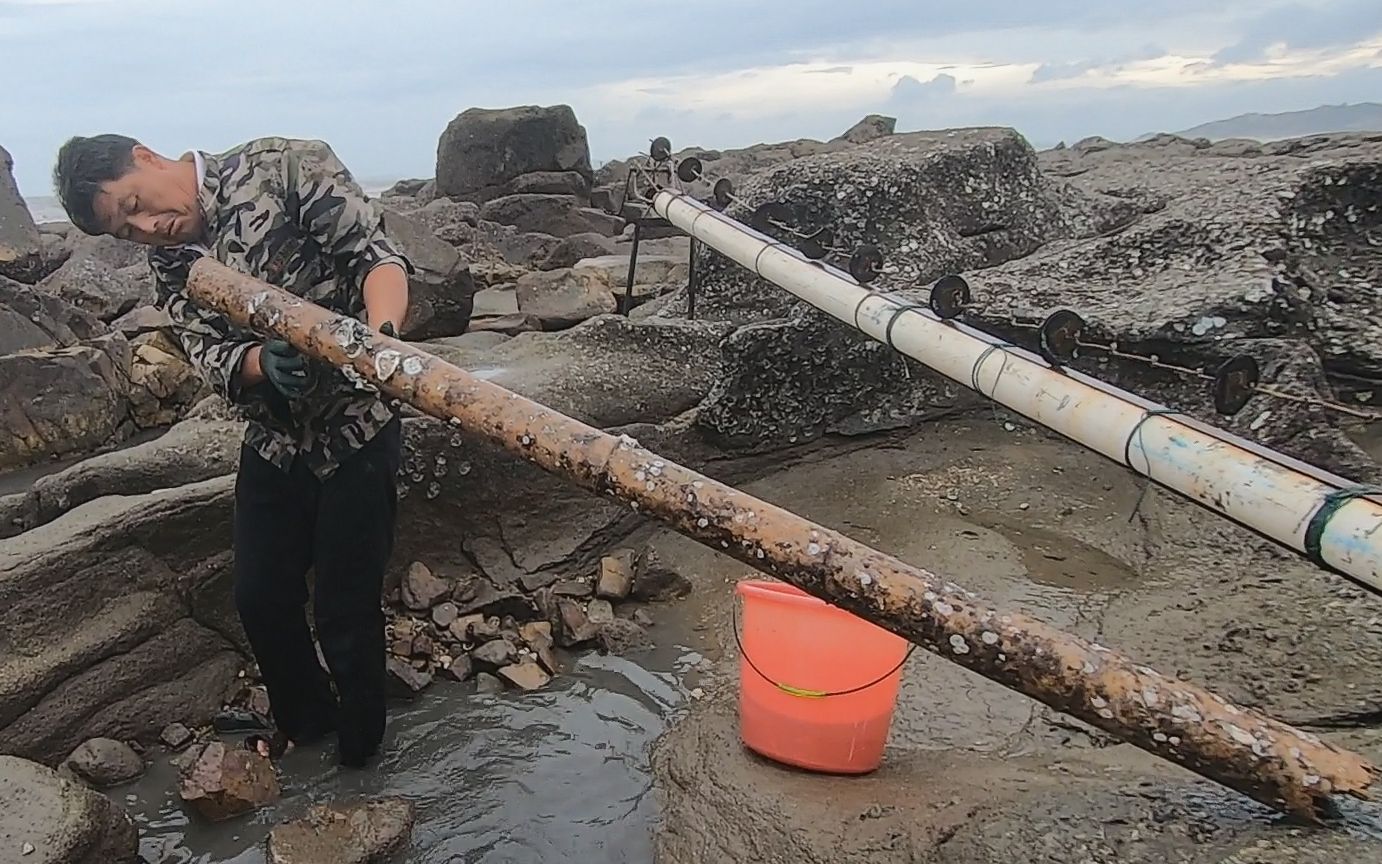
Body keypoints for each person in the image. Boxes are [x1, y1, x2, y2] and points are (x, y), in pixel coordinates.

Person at [52, 133, 413, 768]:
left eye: (137, 203)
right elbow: (204, 349)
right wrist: (258, 363)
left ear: (146, 156)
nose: (148, 227)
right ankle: (308, 724)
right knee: (258, 594)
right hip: (275, 442)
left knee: (345, 606)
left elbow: (375, 259)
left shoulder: (284, 166)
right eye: (128, 231)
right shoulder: (170, 262)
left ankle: (361, 758)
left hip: (358, 426)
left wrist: (382, 344)